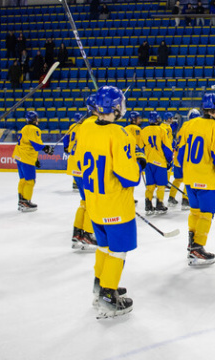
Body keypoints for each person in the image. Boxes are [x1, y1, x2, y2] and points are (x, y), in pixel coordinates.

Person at [72, 85, 144, 318]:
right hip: (115, 205)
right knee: (118, 250)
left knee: (103, 246)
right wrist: (139, 161)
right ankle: (107, 294)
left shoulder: (85, 126)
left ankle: (100, 285)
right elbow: (129, 177)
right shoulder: (119, 134)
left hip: (94, 202)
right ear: (116, 107)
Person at [177, 93, 215, 266]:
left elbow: (180, 153)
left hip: (190, 178)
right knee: (207, 214)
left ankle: (191, 243)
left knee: (194, 211)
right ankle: (197, 248)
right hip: (206, 178)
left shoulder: (188, 125)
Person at [63, 98, 99, 251]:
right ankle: (88, 234)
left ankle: (77, 231)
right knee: (92, 202)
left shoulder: (84, 124)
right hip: (87, 169)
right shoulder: (95, 124)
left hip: (78, 167)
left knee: (85, 201)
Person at [12, 111, 54, 212]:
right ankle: (26, 202)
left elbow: (28, 144)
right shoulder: (34, 129)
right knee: (30, 180)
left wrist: (36, 159)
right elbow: (36, 145)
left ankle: (21, 200)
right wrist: (46, 148)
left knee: (23, 179)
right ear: (35, 119)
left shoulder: (24, 128)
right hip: (26, 158)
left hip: (19, 156)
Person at [141, 111, 173, 215]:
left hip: (149, 161)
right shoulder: (162, 130)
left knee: (150, 185)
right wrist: (169, 161)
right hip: (160, 162)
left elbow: (141, 148)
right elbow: (167, 148)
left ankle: (148, 203)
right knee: (160, 185)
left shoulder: (144, 131)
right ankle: (159, 203)